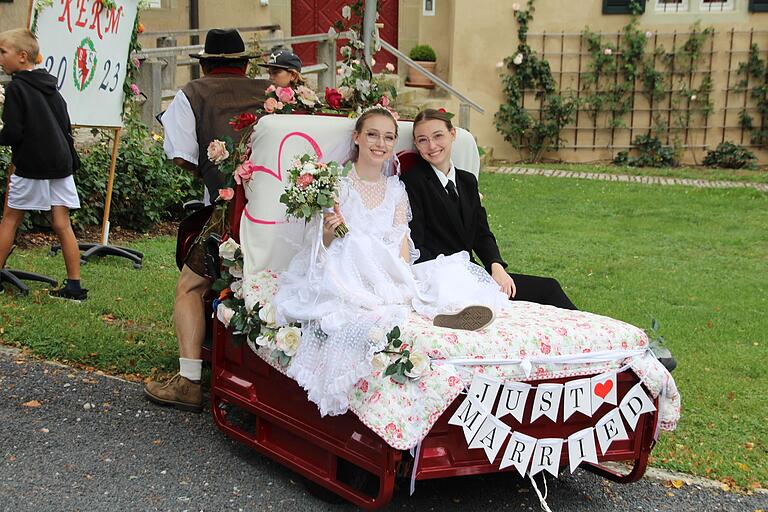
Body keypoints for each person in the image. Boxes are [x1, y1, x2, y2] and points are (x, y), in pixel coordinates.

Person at [274, 106, 508, 417]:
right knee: (356, 247)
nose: (380, 143)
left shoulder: (397, 190)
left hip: (384, 268)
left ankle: (444, 312)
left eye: (388, 137)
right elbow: (320, 248)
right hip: (344, 266)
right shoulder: (336, 186)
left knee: (430, 279)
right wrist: (331, 232)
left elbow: (401, 242)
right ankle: (405, 307)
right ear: (357, 137)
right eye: (372, 134)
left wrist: (398, 277)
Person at [143, 29, 270, 411]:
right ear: (245, 64)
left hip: (229, 211)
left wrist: (213, 175)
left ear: (205, 64)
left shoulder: (192, 93)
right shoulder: (273, 91)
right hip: (283, 211)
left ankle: (188, 381)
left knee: (190, 287)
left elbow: (180, 155)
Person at [401, 108, 578, 310]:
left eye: (438, 136)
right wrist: (453, 281)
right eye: (422, 140)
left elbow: (481, 233)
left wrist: (496, 266)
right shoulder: (412, 182)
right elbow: (416, 246)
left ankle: (592, 336)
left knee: (549, 288)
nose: (431, 146)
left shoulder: (467, 181)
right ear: (416, 144)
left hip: (473, 273)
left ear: (452, 134)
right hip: (441, 282)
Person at [0, 29, 85, 301]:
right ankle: (74, 286)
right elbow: (65, 124)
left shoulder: (16, 88)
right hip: (60, 164)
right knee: (62, 223)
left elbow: (13, 132)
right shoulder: (51, 86)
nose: (0, 58)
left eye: (3, 52)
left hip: (31, 165)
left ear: (22, 56)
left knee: (10, 219)